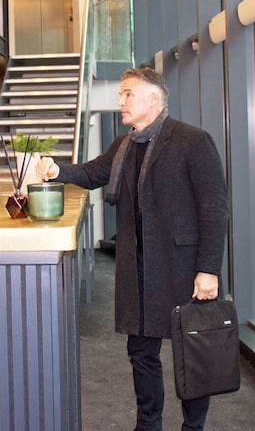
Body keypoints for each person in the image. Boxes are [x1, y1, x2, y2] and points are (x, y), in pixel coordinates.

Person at [36, 67, 229, 431]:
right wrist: (56, 170)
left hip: (181, 266)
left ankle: (193, 427)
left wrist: (209, 269)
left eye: (128, 94)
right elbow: (92, 173)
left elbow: (214, 209)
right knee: (141, 353)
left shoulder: (192, 141)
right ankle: (148, 424)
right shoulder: (124, 145)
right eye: (120, 94)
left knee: (192, 352)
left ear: (153, 100)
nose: (120, 101)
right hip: (137, 268)